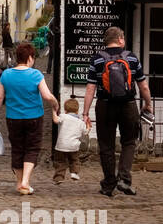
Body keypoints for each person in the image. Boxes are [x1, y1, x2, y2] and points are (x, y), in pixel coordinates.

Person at [83, 26, 154, 197]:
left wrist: (85, 113)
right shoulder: (131, 58)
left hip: (105, 105)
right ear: (120, 39)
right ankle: (124, 180)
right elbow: (143, 85)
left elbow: (90, 88)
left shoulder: (97, 59)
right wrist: (148, 104)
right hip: (128, 105)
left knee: (106, 145)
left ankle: (108, 185)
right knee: (129, 142)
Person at [0, 42, 59, 195]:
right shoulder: (36, 74)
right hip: (34, 117)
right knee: (32, 148)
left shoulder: (6, 75)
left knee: (17, 148)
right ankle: (25, 182)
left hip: (13, 118)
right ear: (29, 58)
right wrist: (56, 104)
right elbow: (47, 96)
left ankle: (19, 182)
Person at [52, 97, 87, 184]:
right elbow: (85, 133)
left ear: (65, 110)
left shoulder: (63, 116)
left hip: (61, 145)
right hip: (73, 146)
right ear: (77, 110)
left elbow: (55, 120)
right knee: (74, 160)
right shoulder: (80, 122)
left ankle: (59, 177)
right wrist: (88, 126)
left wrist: (54, 112)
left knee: (60, 161)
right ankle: (74, 173)